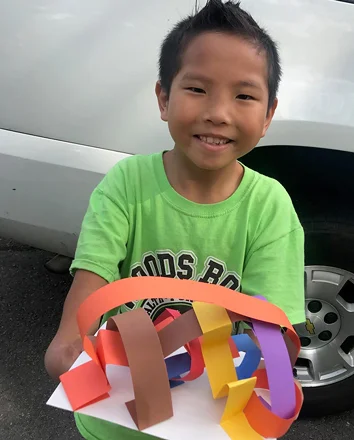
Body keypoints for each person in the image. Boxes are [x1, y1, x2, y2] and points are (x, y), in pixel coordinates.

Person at [45, 0, 305, 438]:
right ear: (164, 98)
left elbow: (272, 330)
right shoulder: (127, 184)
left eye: (244, 95)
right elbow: (91, 283)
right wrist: (69, 340)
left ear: (268, 116)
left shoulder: (269, 205)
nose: (218, 113)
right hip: (116, 420)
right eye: (197, 89)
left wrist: (273, 373)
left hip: (210, 421)